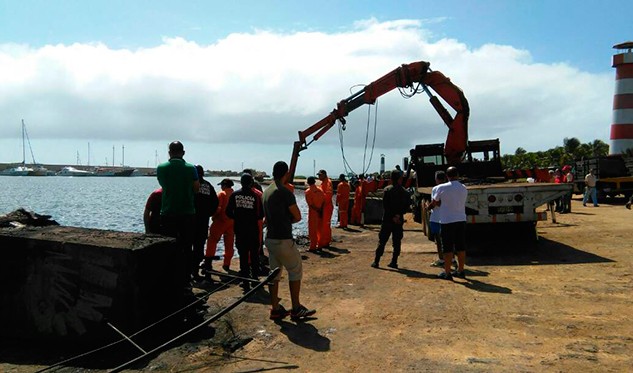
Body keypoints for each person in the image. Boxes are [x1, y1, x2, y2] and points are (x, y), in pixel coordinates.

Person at [263, 161, 316, 321]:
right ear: (286, 173)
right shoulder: (285, 192)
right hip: (283, 239)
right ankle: (296, 308)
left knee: (274, 274)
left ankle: (275, 309)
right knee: (295, 270)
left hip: (270, 238)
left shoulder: (266, 191)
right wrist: (288, 221)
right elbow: (298, 216)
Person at [156, 141, 200, 287]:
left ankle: (168, 276)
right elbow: (196, 189)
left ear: (169, 153)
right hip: (187, 212)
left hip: (168, 212)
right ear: (183, 152)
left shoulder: (161, 168)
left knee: (169, 245)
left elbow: (163, 185)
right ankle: (186, 278)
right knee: (187, 246)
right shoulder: (191, 168)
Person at [226, 173, 264, 292]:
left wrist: (238, 217)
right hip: (252, 229)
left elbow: (228, 212)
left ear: (241, 182)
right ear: (251, 182)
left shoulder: (235, 195)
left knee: (243, 255)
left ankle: (245, 281)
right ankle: (255, 278)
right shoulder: (256, 196)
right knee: (254, 254)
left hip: (240, 229)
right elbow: (261, 214)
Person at [428, 166, 468, 280]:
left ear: (447, 176)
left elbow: (435, 202)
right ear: (458, 175)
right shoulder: (464, 188)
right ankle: (461, 270)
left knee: (447, 248)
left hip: (447, 221)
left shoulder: (441, 188)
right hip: (461, 219)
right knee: (460, 246)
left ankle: (447, 273)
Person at [371, 169, 411, 269]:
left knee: (382, 241)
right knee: (397, 242)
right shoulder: (405, 192)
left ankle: (376, 261)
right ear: (400, 179)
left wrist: (392, 216)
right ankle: (394, 261)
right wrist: (398, 215)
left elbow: (385, 206)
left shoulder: (387, 190)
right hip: (399, 220)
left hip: (387, 219)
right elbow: (407, 206)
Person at [192, 165, 219, 281]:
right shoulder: (208, 186)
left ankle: (189, 273)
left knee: (187, 247)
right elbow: (215, 202)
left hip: (189, 220)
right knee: (199, 247)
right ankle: (195, 272)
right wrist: (209, 213)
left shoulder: (189, 184)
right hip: (203, 221)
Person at [204, 178, 235, 274]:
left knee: (212, 241)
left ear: (224, 185)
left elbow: (218, 208)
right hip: (232, 222)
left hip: (220, 221)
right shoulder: (234, 194)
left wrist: (213, 217)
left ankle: (208, 263)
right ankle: (227, 264)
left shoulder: (221, 194)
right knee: (229, 244)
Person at [425, 171, 453, 268]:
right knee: (449, 240)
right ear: (445, 178)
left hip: (437, 218)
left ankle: (442, 259)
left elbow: (436, 203)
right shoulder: (450, 188)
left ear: (436, 179)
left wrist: (427, 207)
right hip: (449, 218)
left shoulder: (436, 188)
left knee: (438, 240)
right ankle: (452, 259)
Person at [305, 176, 325, 252]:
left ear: (308, 182)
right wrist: (320, 210)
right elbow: (323, 201)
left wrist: (317, 210)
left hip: (313, 213)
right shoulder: (320, 190)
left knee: (312, 230)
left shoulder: (308, 191)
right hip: (320, 211)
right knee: (320, 229)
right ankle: (320, 245)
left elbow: (310, 204)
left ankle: (313, 247)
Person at [317, 169, 333, 248]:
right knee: (322, 224)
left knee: (325, 224)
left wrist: (322, 205)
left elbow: (328, 196)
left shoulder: (328, 183)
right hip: (324, 206)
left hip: (326, 206)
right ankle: (323, 240)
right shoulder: (323, 183)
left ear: (324, 175)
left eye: (320, 175)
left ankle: (326, 242)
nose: (319, 177)